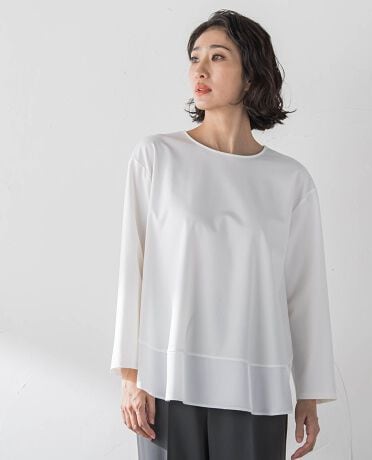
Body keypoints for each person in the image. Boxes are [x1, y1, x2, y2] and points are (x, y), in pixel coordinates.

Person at [110, 9, 337, 460]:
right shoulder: (157, 157)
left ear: (251, 75)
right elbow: (132, 269)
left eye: (217, 57)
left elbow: (305, 292)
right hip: (167, 379)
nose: (200, 69)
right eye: (195, 57)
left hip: (257, 384)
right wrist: (131, 378)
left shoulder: (290, 181)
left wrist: (308, 395)